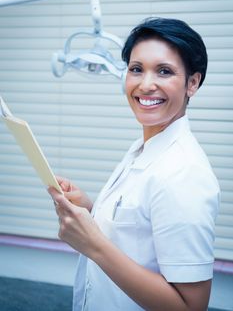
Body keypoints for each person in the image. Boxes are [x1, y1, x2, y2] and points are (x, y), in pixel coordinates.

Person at [48, 17, 220, 311]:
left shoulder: (184, 173)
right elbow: (139, 236)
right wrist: (91, 212)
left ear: (193, 83)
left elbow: (191, 307)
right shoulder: (145, 147)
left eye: (164, 71)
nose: (145, 84)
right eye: (136, 69)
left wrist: (94, 245)